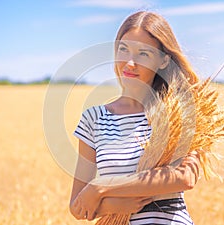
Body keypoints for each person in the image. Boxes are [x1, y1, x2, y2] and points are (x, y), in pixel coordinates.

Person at [70, 11, 201, 225]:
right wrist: (114, 205)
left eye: (143, 54)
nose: (129, 63)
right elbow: (77, 205)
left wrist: (102, 187)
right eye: (124, 50)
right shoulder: (93, 119)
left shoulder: (177, 112)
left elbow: (185, 177)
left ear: (164, 60)